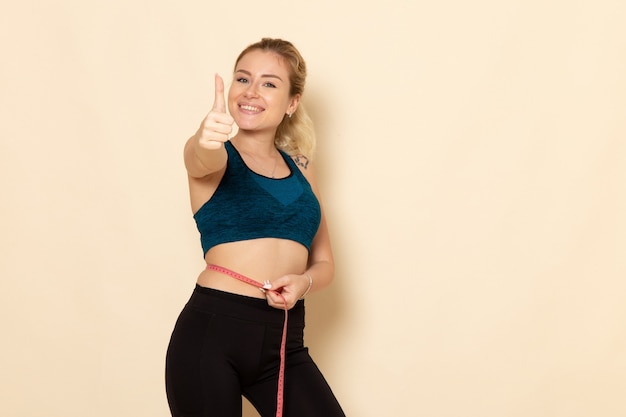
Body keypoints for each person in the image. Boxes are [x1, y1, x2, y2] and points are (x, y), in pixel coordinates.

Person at [165, 38, 346, 417]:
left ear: (292, 102)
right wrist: (206, 137)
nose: (251, 92)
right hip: (213, 332)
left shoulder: (302, 168)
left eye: (269, 83)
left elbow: (325, 262)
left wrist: (304, 283)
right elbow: (199, 158)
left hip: (284, 339)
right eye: (242, 79)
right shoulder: (216, 154)